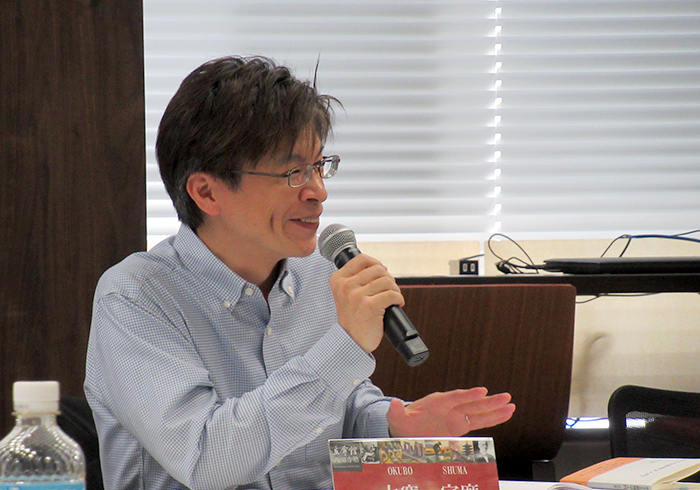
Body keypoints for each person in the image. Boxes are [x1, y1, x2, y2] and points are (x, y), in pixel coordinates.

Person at [84, 55, 515, 490]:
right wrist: (345, 346)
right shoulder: (135, 298)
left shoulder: (320, 274)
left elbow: (338, 406)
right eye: (293, 172)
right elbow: (205, 459)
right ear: (207, 192)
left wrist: (392, 424)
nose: (318, 192)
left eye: (319, 166)